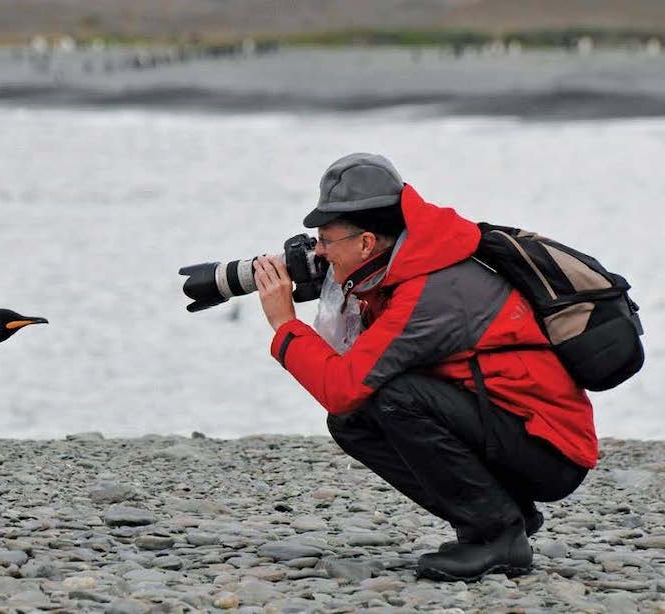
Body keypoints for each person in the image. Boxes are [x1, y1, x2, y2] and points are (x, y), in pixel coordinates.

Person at [252, 153, 595, 582]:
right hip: (513, 427)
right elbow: (353, 386)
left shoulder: (429, 291)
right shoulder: (404, 264)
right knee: (353, 420)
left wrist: (285, 325)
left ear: (365, 243)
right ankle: (503, 514)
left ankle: (496, 534)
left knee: (395, 398)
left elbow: (342, 384)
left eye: (325, 239)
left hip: (550, 448)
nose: (318, 251)